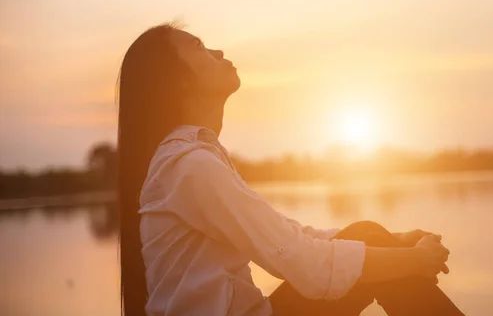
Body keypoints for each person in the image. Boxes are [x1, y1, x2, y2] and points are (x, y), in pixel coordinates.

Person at [117, 24, 464, 316]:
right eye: (200, 48)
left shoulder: (193, 159)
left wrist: (398, 243)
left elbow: (288, 237)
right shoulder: (190, 166)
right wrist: (414, 260)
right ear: (180, 83)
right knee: (370, 242)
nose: (219, 52)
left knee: (366, 235)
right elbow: (303, 263)